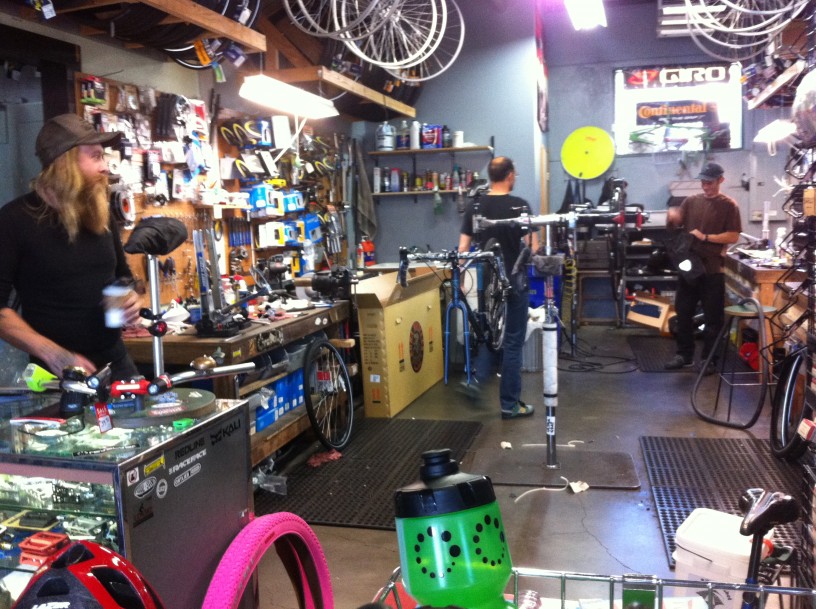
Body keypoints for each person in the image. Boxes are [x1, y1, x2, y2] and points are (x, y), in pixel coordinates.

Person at [0, 113, 142, 380]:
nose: (105, 167)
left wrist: (129, 298)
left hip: (116, 360)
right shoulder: (14, 220)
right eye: (96, 156)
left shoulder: (99, 214)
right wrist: (53, 352)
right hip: (57, 372)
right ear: (65, 162)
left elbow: (123, 276)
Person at [458, 156, 536, 419]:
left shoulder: (476, 206)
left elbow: (462, 249)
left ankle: (476, 382)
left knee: (491, 337)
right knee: (512, 342)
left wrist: (459, 278)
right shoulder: (520, 206)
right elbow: (534, 246)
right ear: (510, 175)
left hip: (488, 283)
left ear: (491, 176)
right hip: (514, 280)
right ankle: (510, 404)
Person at [664, 162, 741, 372]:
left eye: (710, 183)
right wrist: (672, 219)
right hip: (689, 269)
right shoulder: (691, 201)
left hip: (712, 269)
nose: (706, 187)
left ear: (720, 180)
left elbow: (733, 235)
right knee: (683, 312)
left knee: (712, 318)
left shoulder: (729, 205)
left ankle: (710, 360)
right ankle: (684, 355)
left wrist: (707, 237)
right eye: (703, 182)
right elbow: (678, 224)